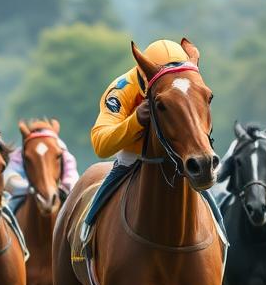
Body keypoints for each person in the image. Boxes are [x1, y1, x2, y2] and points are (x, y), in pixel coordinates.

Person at [81, 38, 223, 242]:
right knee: (94, 209)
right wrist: (136, 120)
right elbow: (101, 146)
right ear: (145, 74)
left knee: (216, 217)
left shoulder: (189, 85)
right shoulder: (122, 89)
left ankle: (222, 240)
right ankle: (86, 231)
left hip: (183, 152)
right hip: (134, 156)